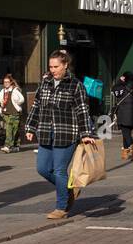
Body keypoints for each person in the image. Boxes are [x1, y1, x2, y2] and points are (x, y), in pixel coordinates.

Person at [24, 49, 97, 219]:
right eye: (51, 66)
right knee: (42, 168)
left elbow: (82, 110)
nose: (53, 70)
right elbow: (36, 106)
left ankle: (62, 207)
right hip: (45, 132)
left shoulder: (75, 85)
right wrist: (30, 127)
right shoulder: (45, 83)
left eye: (56, 66)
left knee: (59, 171)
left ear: (65, 65)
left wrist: (86, 133)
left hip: (66, 134)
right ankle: (68, 190)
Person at [111, 71, 133, 160]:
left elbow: (114, 90)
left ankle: (132, 147)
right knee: (126, 133)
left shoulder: (122, 87)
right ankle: (125, 153)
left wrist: (119, 81)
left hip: (124, 114)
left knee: (126, 133)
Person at [0, 74, 25, 153]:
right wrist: (0, 106)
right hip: (6, 113)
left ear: (11, 82)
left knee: (15, 130)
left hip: (15, 113)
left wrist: (16, 102)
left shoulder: (15, 90)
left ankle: (15, 145)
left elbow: (22, 99)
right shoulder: (3, 91)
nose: (6, 84)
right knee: (9, 129)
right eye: (4, 82)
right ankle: (8, 145)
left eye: (7, 82)